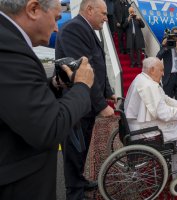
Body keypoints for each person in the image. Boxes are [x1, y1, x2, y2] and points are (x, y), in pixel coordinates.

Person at [0, 0, 94, 199]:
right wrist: (82, 86)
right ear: (33, 9)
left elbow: (19, 98)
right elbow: (49, 127)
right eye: (56, 18)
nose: (56, 29)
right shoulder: (9, 48)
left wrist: (54, 84)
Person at [55, 0, 116, 199]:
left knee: (83, 146)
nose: (107, 18)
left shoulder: (87, 29)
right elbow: (83, 71)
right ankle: (74, 192)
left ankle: (79, 181)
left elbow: (99, 64)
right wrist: (101, 105)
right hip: (76, 104)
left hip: (85, 103)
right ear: (89, 10)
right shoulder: (74, 29)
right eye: (104, 14)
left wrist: (108, 92)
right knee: (74, 149)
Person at [124, 57, 177, 186]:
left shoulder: (142, 78)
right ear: (152, 70)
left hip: (138, 125)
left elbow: (163, 98)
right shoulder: (149, 85)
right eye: (161, 70)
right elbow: (163, 114)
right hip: (146, 131)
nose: (163, 73)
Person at [156, 26, 177, 101]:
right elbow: (158, 57)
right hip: (169, 77)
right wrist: (165, 46)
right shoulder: (166, 45)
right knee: (168, 99)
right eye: (176, 34)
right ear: (172, 34)